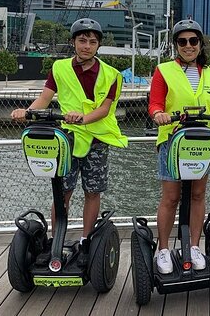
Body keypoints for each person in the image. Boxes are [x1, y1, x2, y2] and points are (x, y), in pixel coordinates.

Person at [10, 18, 128, 246]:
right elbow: (45, 98)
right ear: (73, 42)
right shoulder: (60, 68)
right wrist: (26, 112)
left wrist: (82, 119)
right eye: (82, 41)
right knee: (62, 192)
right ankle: (57, 240)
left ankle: (86, 239)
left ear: (98, 45)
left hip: (96, 139)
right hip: (68, 140)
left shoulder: (112, 74)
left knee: (93, 192)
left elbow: (105, 109)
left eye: (92, 42)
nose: (87, 46)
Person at [148, 19, 210, 274]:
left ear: (200, 43)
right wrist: (159, 113)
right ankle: (163, 249)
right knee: (171, 198)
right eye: (182, 41)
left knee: (197, 195)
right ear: (175, 45)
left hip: (203, 142)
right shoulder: (164, 71)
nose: (188, 46)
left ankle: (194, 246)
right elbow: (154, 103)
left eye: (193, 41)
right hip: (173, 141)